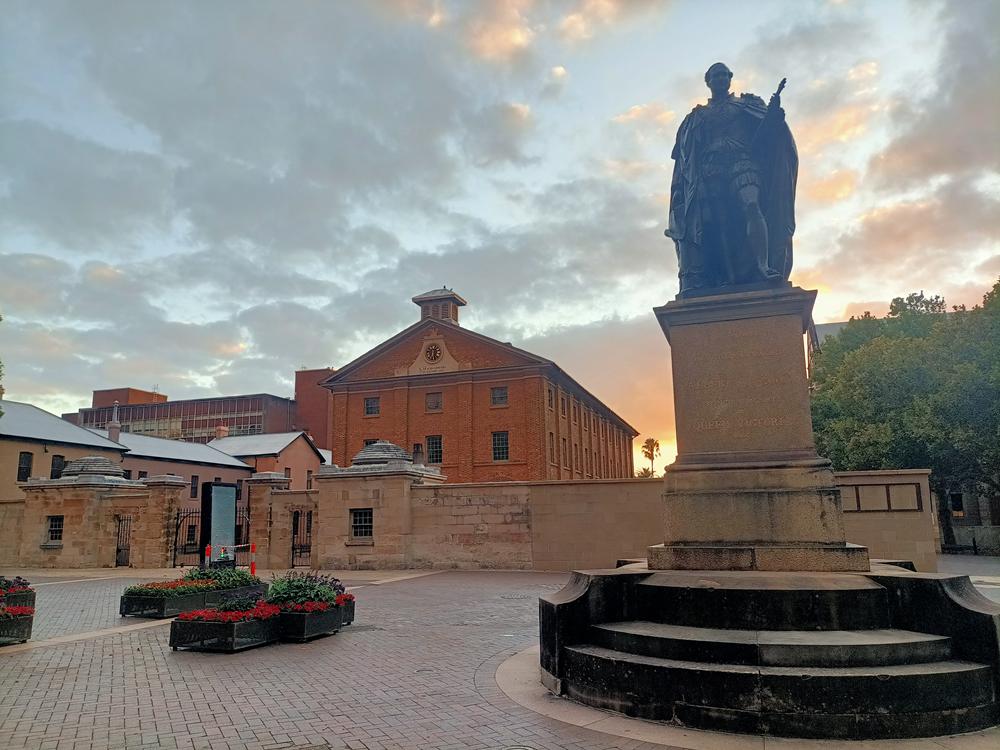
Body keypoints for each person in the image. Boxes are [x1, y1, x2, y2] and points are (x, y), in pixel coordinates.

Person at [666, 62, 798, 296]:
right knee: (719, 224)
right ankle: (725, 276)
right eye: (715, 76)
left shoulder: (748, 104)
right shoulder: (697, 116)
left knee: (752, 205)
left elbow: (768, 137)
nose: (720, 79)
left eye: (723, 75)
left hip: (742, 162)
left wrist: (774, 119)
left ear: (730, 78)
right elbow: (685, 156)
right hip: (710, 169)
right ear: (707, 81)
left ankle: (763, 266)